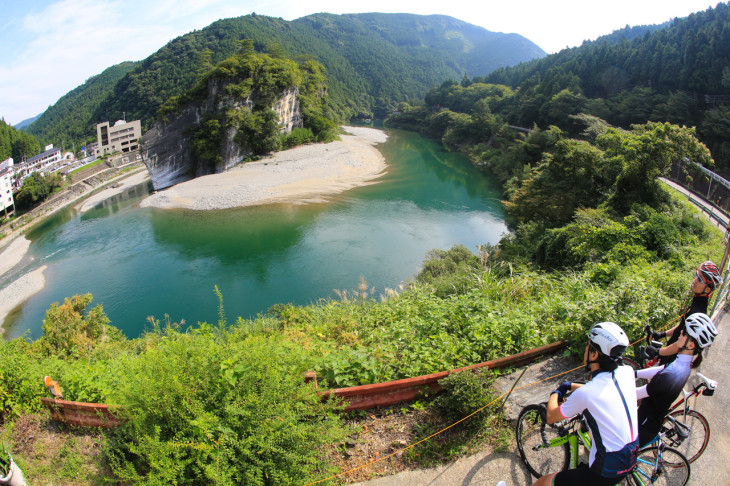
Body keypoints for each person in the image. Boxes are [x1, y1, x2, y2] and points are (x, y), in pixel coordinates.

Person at [532, 322, 639, 486]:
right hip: (631, 455)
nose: (585, 349)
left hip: (606, 469)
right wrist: (570, 385)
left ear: (594, 354)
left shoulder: (587, 393)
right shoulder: (627, 372)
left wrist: (556, 393)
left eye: (588, 345)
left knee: (542, 482)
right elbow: (604, 388)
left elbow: (552, 416)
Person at [635, 312, 717, 447]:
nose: (680, 333)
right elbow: (661, 369)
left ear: (690, 345)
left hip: (642, 426)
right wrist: (636, 373)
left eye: (684, 332)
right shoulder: (684, 364)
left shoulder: (672, 375)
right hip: (649, 421)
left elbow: (636, 393)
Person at [646, 261, 722, 365]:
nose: (695, 280)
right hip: (669, 355)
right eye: (697, 275)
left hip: (672, 360)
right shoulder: (697, 303)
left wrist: (658, 351)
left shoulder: (697, 311)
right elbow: (681, 326)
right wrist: (662, 334)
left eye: (700, 279)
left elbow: (680, 345)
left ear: (707, 289)